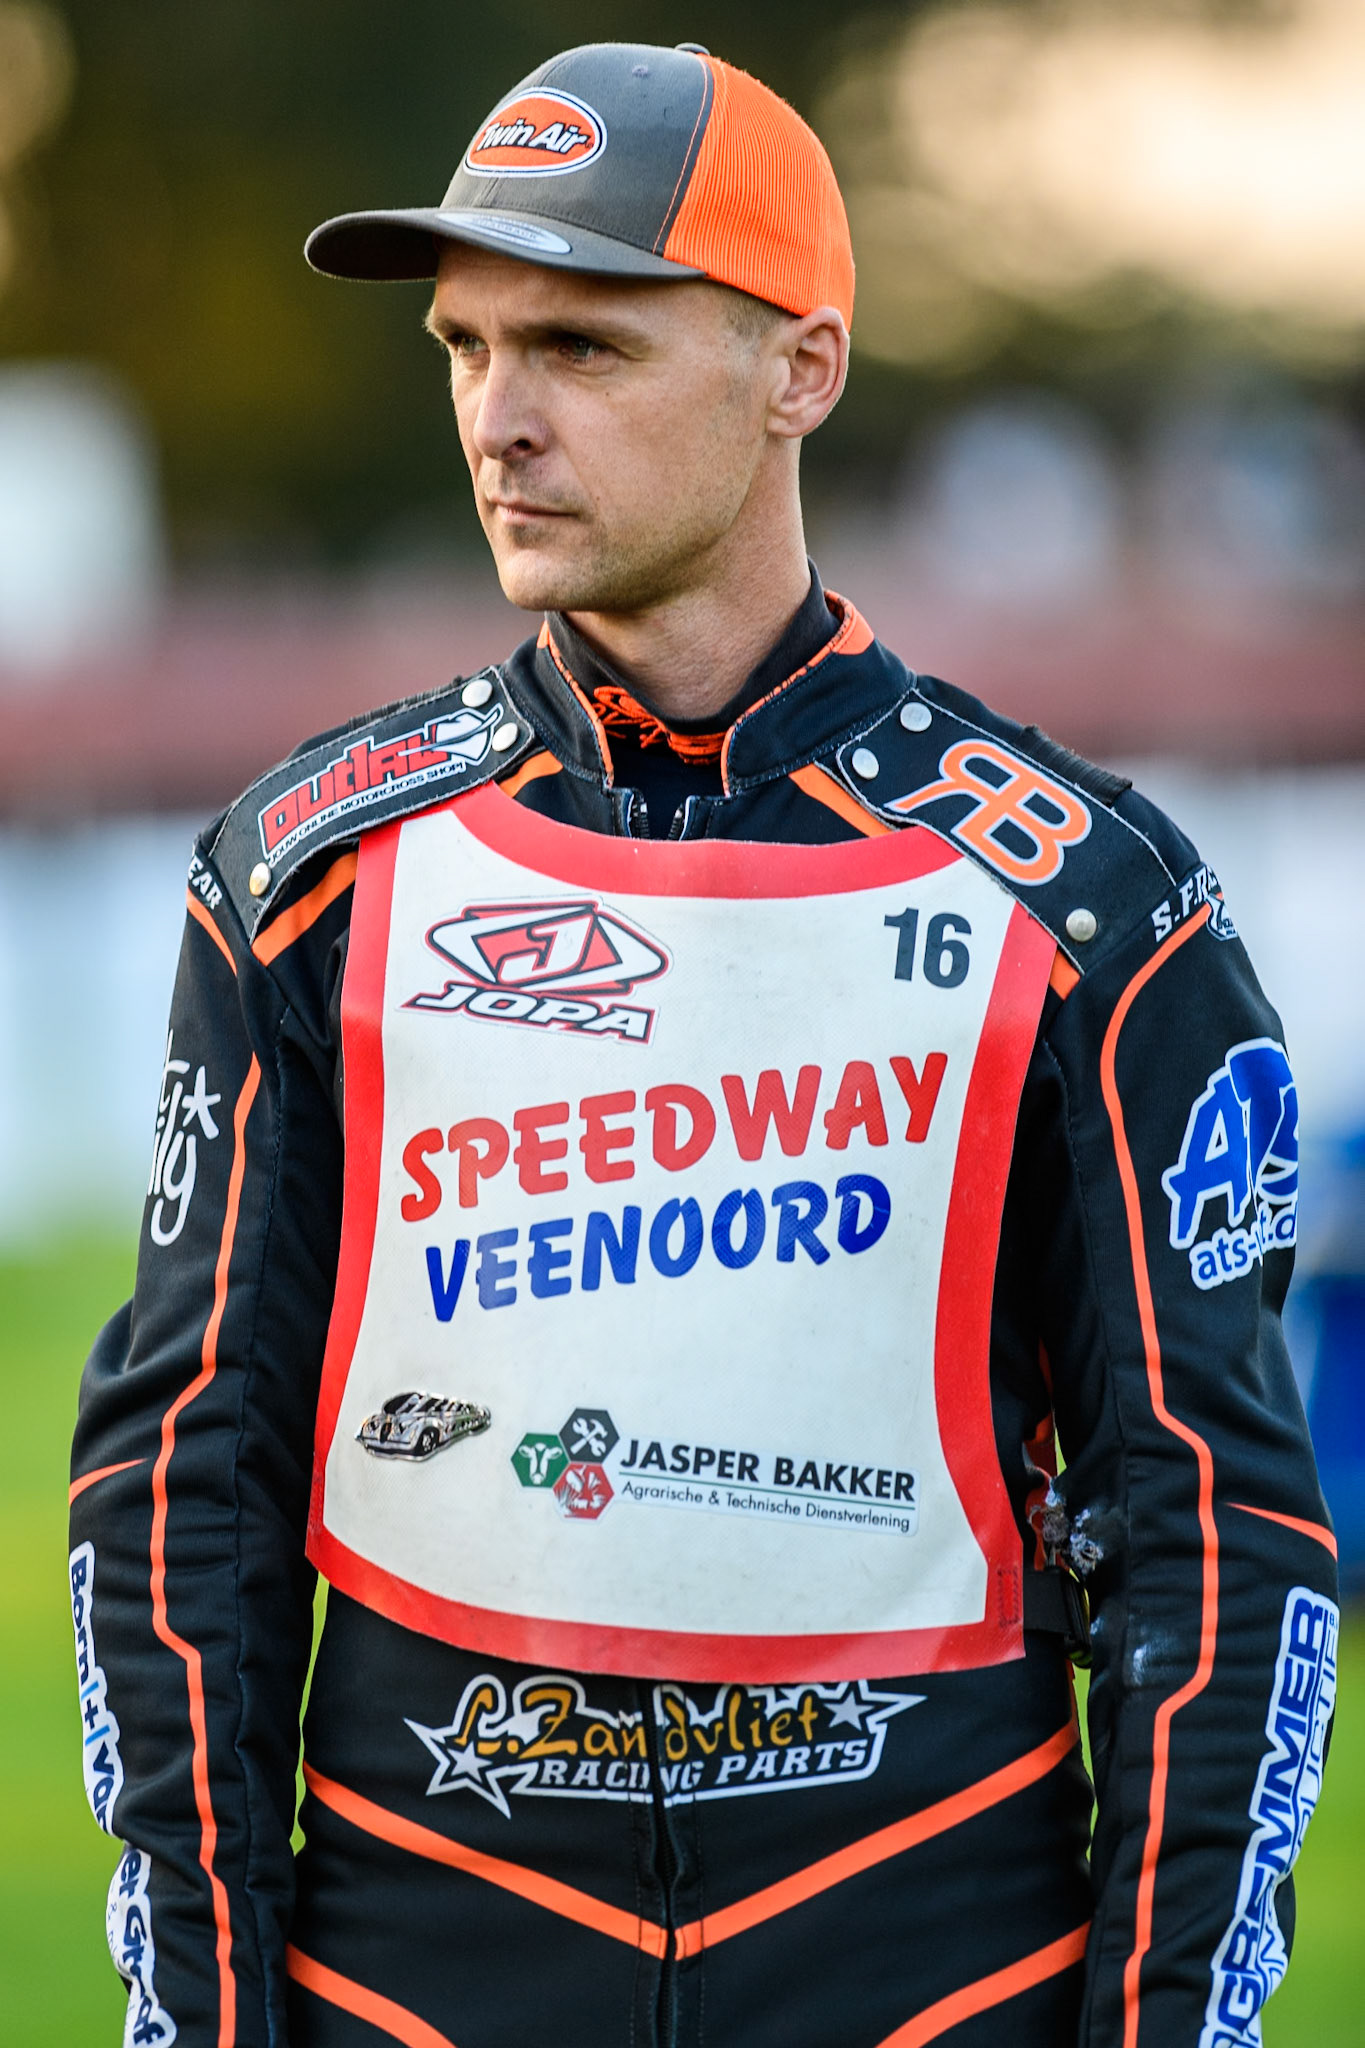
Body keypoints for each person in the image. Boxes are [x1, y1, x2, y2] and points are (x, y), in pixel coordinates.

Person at [69, 40, 1338, 2048]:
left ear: (798, 371)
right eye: (464, 348)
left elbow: (1221, 1526)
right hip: (420, 1963)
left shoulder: (1086, 899)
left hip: (929, 1959)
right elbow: (175, 1491)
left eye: (579, 346)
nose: (499, 419)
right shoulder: (308, 875)